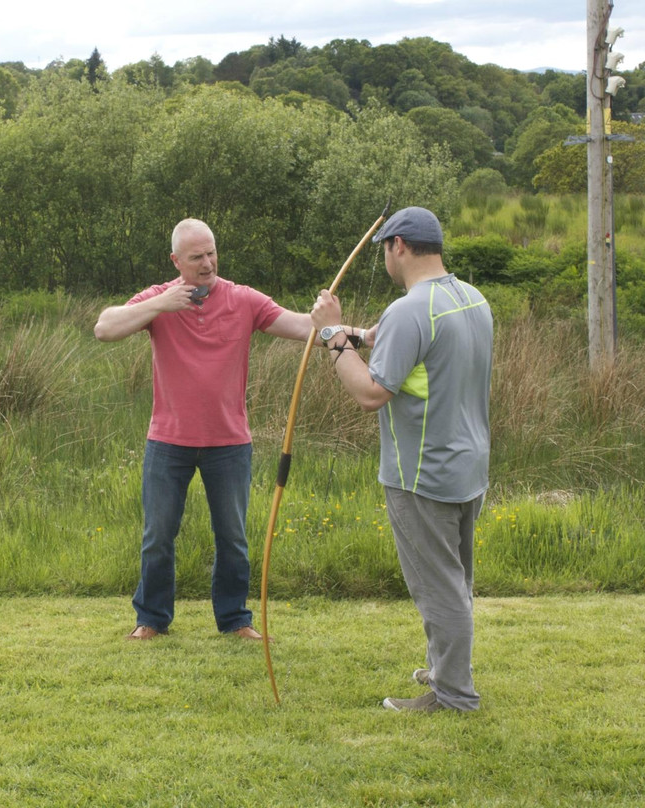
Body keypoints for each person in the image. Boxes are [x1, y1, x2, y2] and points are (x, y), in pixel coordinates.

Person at [310, 206, 493, 713]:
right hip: (467, 467)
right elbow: (417, 346)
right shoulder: (470, 298)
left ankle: (453, 695)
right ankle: (445, 669)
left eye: (386, 250)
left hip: (422, 475)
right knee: (454, 581)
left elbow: (370, 393)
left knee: (439, 590)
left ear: (399, 247)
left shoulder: (410, 310)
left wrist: (330, 337)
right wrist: (361, 335)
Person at [94, 219, 312, 640]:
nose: (208, 263)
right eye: (197, 257)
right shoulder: (159, 299)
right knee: (158, 535)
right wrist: (161, 305)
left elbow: (302, 327)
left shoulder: (243, 299)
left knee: (232, 537)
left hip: (229, 443)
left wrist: (352, 332)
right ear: (177, 261)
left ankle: (235, 621)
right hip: (167, 441)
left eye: (211, 253)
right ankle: (151, 619)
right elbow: (105, 328)